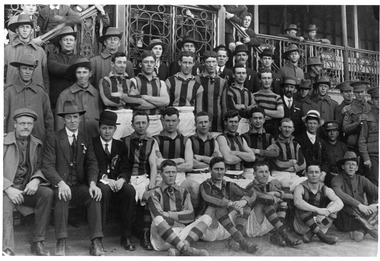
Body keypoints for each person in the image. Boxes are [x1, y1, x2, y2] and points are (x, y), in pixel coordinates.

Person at [42, 101, 104, 256]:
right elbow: (47, 166)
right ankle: (61, 242)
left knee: (93, 196)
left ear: (80, 118)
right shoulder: (54, 138)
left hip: (78, 185)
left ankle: (96, 241)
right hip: (61, 184)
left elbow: (92, 163)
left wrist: (92, 184)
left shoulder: (85, 138)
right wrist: (60, 183)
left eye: (75, 117)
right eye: (69, 117)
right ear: (63, 120)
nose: (73, 120)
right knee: (62, 196)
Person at [3, 108, 53, 256]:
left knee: (47, 193)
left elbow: (40, 167)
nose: (26, 127)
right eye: (22, 123)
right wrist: (7, 188)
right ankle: (7, 249)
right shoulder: (3, 142)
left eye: (29, 124)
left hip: (25, 189)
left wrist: (36, 180)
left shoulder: (36, 144)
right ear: (14, 124)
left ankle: (38, 242)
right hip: (6, 190)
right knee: (4, 208)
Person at [92, 111, 136, 251]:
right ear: (99, 128)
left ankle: (126, 235)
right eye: (104, 128)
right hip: (101, 182)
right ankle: (99, 237)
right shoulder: (92, 143)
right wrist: (104, 179)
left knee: (129, 190)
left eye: (110, 128)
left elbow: (126, 167)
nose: (107, 131)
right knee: (103, 190)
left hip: (117, 183)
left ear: (115, 129)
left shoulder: (120, 145)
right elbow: (89, 166)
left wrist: (122, 180)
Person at [148, 160, 211, 256]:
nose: (171, 175)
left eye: (173, 172)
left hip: (181, 234)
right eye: (167, 172)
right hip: (161, 239)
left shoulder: (184, 191)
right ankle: (187, 249)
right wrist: (179, 220)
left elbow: (190, 216)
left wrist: (169, 214)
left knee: (207, 218)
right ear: (161, 174)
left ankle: (181, 249)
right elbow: (158, 216)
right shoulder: (154, 193)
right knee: (158, 219)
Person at [198, 157, 259, 254]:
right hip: (208, 230)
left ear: (226, 170)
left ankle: (236, 238)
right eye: (216, 169)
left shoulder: (229, 185)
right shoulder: (205, 185)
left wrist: (244, 201)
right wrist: (231, 203)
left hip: (224, 228)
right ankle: (243, 242)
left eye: (222, 169)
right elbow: (210, 198)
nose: (219, 172)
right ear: (210, 170)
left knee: (245, 204)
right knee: (218, 206)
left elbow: (252, 193)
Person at [123, 110, 159, 251]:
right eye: (138, 123)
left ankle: (145, 235)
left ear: (148, 124)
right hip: (129, 177)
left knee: (149, 196)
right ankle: (127, 235)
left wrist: (152, 182)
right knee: (129, 197)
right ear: (132, 125)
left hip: (143, 177)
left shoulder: (151, 142)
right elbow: (123, 165)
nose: (141, 126)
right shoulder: (125, 141)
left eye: (144, 122)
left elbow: (153, 165)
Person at [244, 162, 301, 246]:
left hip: (264, 225)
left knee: (283, 203)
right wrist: (275, 195)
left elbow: (290, 196)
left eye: (266, 172)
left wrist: (275, 193)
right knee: (265, 203)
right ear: (254, 174)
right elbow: (265, 199)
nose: (264, 175)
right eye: (261, 172)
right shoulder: (250, 187)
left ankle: (277, 235)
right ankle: (284, 234)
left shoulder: (269, 185)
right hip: (251, 226)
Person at [4, 54, 54, 143]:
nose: (28, 72)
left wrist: (49, 145)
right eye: (24, 68)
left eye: (31, 69)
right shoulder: (8, 92)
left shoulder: (41, 92)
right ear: (18, 70)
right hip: (13, 143)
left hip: (38, 143)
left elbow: (49, 121)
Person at [331, 151, 378, 241]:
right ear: (343, 167)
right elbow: (338, 193)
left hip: (361, 218)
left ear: (357, 168)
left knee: (377, 207)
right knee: (344, 204)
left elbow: (376, 191)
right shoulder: (337, 179)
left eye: (353, 164)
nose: (351, 166)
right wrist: (359, 205)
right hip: (344, 220)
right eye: (348, 164)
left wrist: (374, 205)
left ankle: (361, 231)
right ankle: (372, 231)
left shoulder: (362, 179)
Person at [293, 164, 343, 245]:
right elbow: (297, 202)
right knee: (302, 206)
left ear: (320, 174)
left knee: (334, 205)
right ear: (306, 174)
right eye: (311, 172)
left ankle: (312, 233)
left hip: (321, 224)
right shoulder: (300, 187)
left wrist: (327, 212)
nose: (314, 174)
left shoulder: (325, 188)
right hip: (302, 226)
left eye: (316, 172)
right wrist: (318, 210)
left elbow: (340, 203)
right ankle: (322, 236)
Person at [55, 57, 102, 138]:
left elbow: (101, 116)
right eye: (79, 72)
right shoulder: (65, 95)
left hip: (94, 137)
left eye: (85, 72)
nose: (82, 76)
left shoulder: (96, 94)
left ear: (90, 74)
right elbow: (59, 121)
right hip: (72, 139)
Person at [99, 52, 142, 140]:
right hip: (113, 115)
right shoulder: (105, 80)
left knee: (130, 144)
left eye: (124, 63)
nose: (122, 65)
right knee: (114, 144)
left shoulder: (130, 81)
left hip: (129, 116)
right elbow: (107, 100)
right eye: (119, 62)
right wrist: (128, 99)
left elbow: (138, 101)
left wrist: (121, 96)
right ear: (112, 64)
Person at [5, 14, 49, 92]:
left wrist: (45, 98)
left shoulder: (40, 51)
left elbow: (45, 78)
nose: (25, 30)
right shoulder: (7, 50)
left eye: (27, 27)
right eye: (21, 27)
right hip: (13, 96)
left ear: (32, 30)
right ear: (17, 30)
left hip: (35, 96)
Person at [131, 50, 170, 137]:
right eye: (146, 62)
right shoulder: (134, 81)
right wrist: (158, 104)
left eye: (151, 62)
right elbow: (135, 103)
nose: (149, 64)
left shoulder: (161, 83)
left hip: (156, 121)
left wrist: (145, 97)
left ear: (155, 64)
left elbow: (166, 101)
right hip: (139, 122)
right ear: (140, 64)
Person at [166, 51, 204, 136]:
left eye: (190, 63)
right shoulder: (170, 81)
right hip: (172, 116)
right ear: (180, 63)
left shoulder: (197, 85)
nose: (187, 66)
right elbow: (165, 104)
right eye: (185, 62)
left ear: (193, 63)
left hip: (189, 116)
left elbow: (199, 110)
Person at [155, 107, 193, 187]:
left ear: (178, 121)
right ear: (162, 121)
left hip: (180, 175)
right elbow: (157, 163)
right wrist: (179, 160)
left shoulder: (185, 140)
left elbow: (189, 166)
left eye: (174, 121)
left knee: (193, 186)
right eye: (168, 121)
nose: (171, 124)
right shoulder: (155, 140)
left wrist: (166, 166)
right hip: (161, 176)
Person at [265, 118, 307, 191]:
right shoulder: (274, 145)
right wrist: (292, 162)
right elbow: (278, 164)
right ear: (280, 128)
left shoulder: (296, 145)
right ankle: (287, 200)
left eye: (289, 127)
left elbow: (303, 164)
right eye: (285, 127)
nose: (287, 130)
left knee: (307, 180)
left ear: (293, 129)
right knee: (285, 182)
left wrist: (292, 168)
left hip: (293, 175)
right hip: (278, 175)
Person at [217, 110, 255, 188]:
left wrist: (236, 153)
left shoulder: (241, 138)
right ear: (225, 122)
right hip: (227, 177)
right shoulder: (221, 138)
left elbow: (252, 157)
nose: (233, 124)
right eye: (231, 122)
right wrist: (245, 157)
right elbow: (228, 159)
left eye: (236, 122)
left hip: (241, 177)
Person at [47, 26, 80, 111]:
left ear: (75, 42)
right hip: (57, 101)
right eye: (65, 40)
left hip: (76, 101)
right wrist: (74, 70)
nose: (68, 42)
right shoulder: (53, 58)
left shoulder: (79, 59)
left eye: (71, 40)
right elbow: (54, 68)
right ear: (60, 42)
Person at [195, 51, 228, 135]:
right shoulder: (196, 80)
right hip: (200, 121)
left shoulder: (222, 81)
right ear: (203, 63)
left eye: (213, 62)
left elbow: (224, 104)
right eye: (208, 62)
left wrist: (225, 124)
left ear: (217, 62)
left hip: (217, 122)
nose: (211, 65)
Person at [224, 63, 256, 134]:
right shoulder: (229, 91)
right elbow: (232, 108)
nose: (241, 75)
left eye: (243, 73)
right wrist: (248, 107)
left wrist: (243, 106)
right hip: (234, 123)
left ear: (246, 75)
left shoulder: (248, 92)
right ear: (233, 75)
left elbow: (254, 107)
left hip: (248, 123)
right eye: (238, 73)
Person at [253, 69, 284, 138]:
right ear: (260, 80)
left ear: (272, 80)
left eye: (269, 78)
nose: (267, 81)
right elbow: (254, 112)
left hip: (272, 129)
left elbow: (281, 114)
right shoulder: (254, 96)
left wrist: (262, 110)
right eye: (264, 78)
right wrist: (273, 114)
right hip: (257, 128)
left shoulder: (277, 97)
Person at [342, 81, 371, 152]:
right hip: (354, 145)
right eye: (357, 92)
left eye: (362, 92)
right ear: (354, 93)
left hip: (369, 145)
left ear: (365, 92)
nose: (360, 94)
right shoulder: (349, 108)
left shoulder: (370, 107)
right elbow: (345, 128)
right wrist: (357, 123)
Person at [358, 87, 379, 185]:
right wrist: (366, 158)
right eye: (376, 99)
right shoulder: (367, 117)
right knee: (374, 183)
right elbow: (362, 139)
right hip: (373, 156)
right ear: (372, 100)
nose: (379, 101)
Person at [321, 121, 348, 187]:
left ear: (338, 133)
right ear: (326, 133)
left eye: (334, 131)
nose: (332, 133)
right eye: (329, 131)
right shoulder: (322, 145)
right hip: (328, 176)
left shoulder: (343, 146)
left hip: (343, 175)